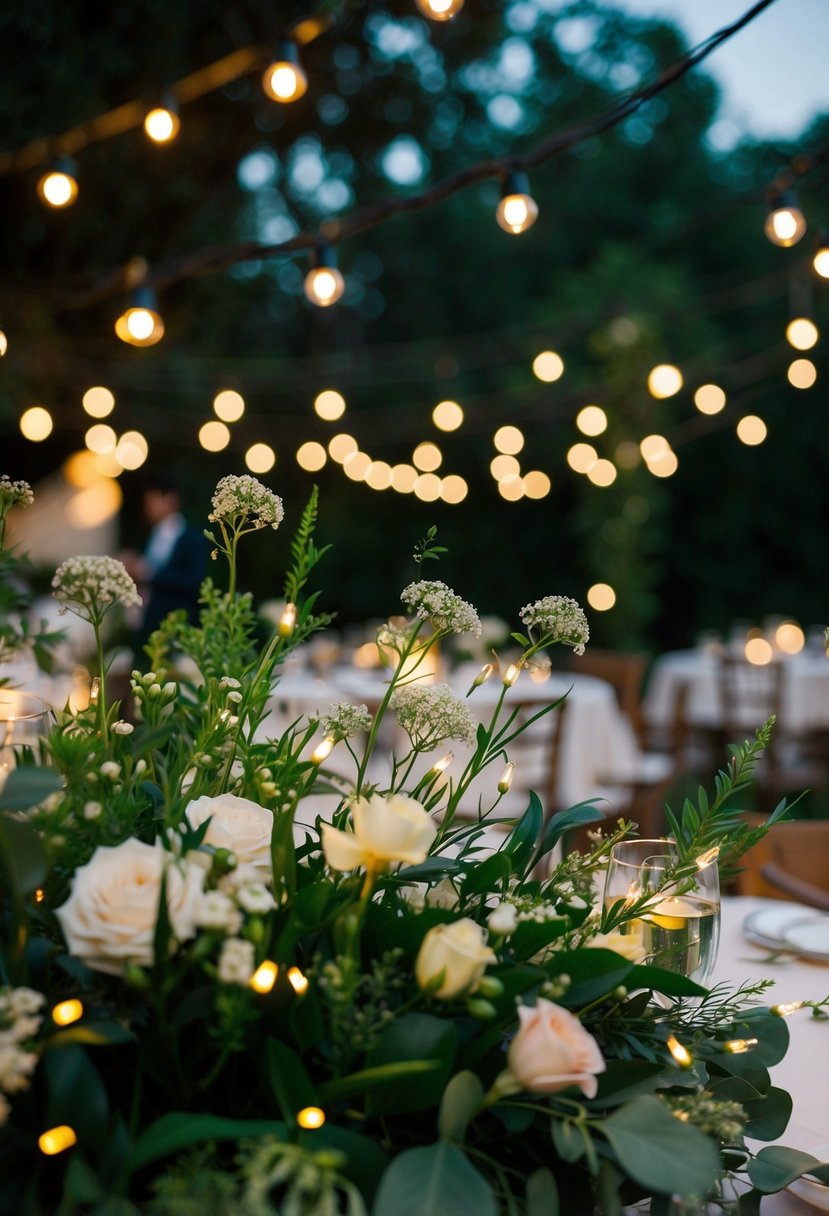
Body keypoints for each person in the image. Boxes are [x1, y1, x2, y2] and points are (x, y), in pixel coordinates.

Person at [121, 477, 209, 643]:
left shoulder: (193, 539)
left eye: (152, 501)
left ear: (170, 500)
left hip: (178, 625)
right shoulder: (150, 534)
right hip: (148, 622)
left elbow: (195, 582)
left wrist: (148, 573)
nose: (147, 508)